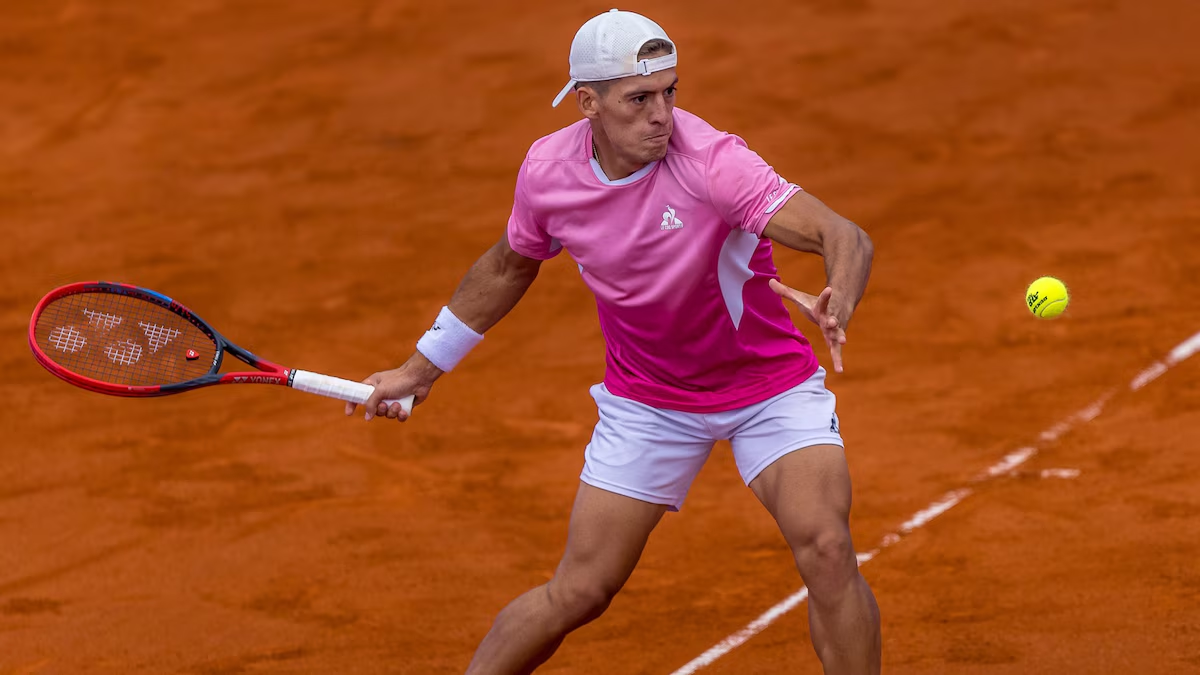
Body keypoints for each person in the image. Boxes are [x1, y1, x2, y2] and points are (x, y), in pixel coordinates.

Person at [346, 9, 880, 674]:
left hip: (769, 389)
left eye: (669, 92)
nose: (662, 116)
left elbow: (843, 235)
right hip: (650, 402)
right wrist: (420, 369)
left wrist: (840, 297)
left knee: (827, 547)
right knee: (581, 589)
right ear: (588, 103)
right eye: (639, 99)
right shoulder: (548, 172)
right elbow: (509, 267)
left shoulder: (713, 162)